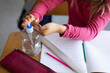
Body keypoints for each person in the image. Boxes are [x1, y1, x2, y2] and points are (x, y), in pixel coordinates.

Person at [21, 0, 110, 41]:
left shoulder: (107, 4)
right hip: (69, 39)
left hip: (93, 41)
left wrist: (60, 29)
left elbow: (91, 32)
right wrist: (34, 16)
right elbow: (46, 3)